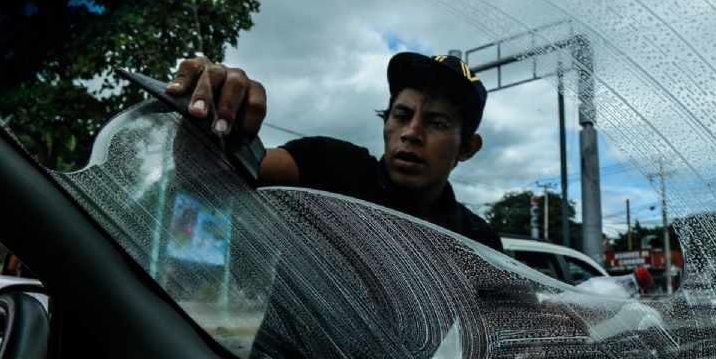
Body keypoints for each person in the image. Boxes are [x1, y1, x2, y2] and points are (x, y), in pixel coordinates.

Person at [166, 52, 503, 251]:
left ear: (468, 147)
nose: (412, 133)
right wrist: (211, 117)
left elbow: (496, 340)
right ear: (386, 122)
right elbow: (221, 170)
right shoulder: (332, 166)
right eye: (401, 116)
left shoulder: (478, 242)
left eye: (438, 123)